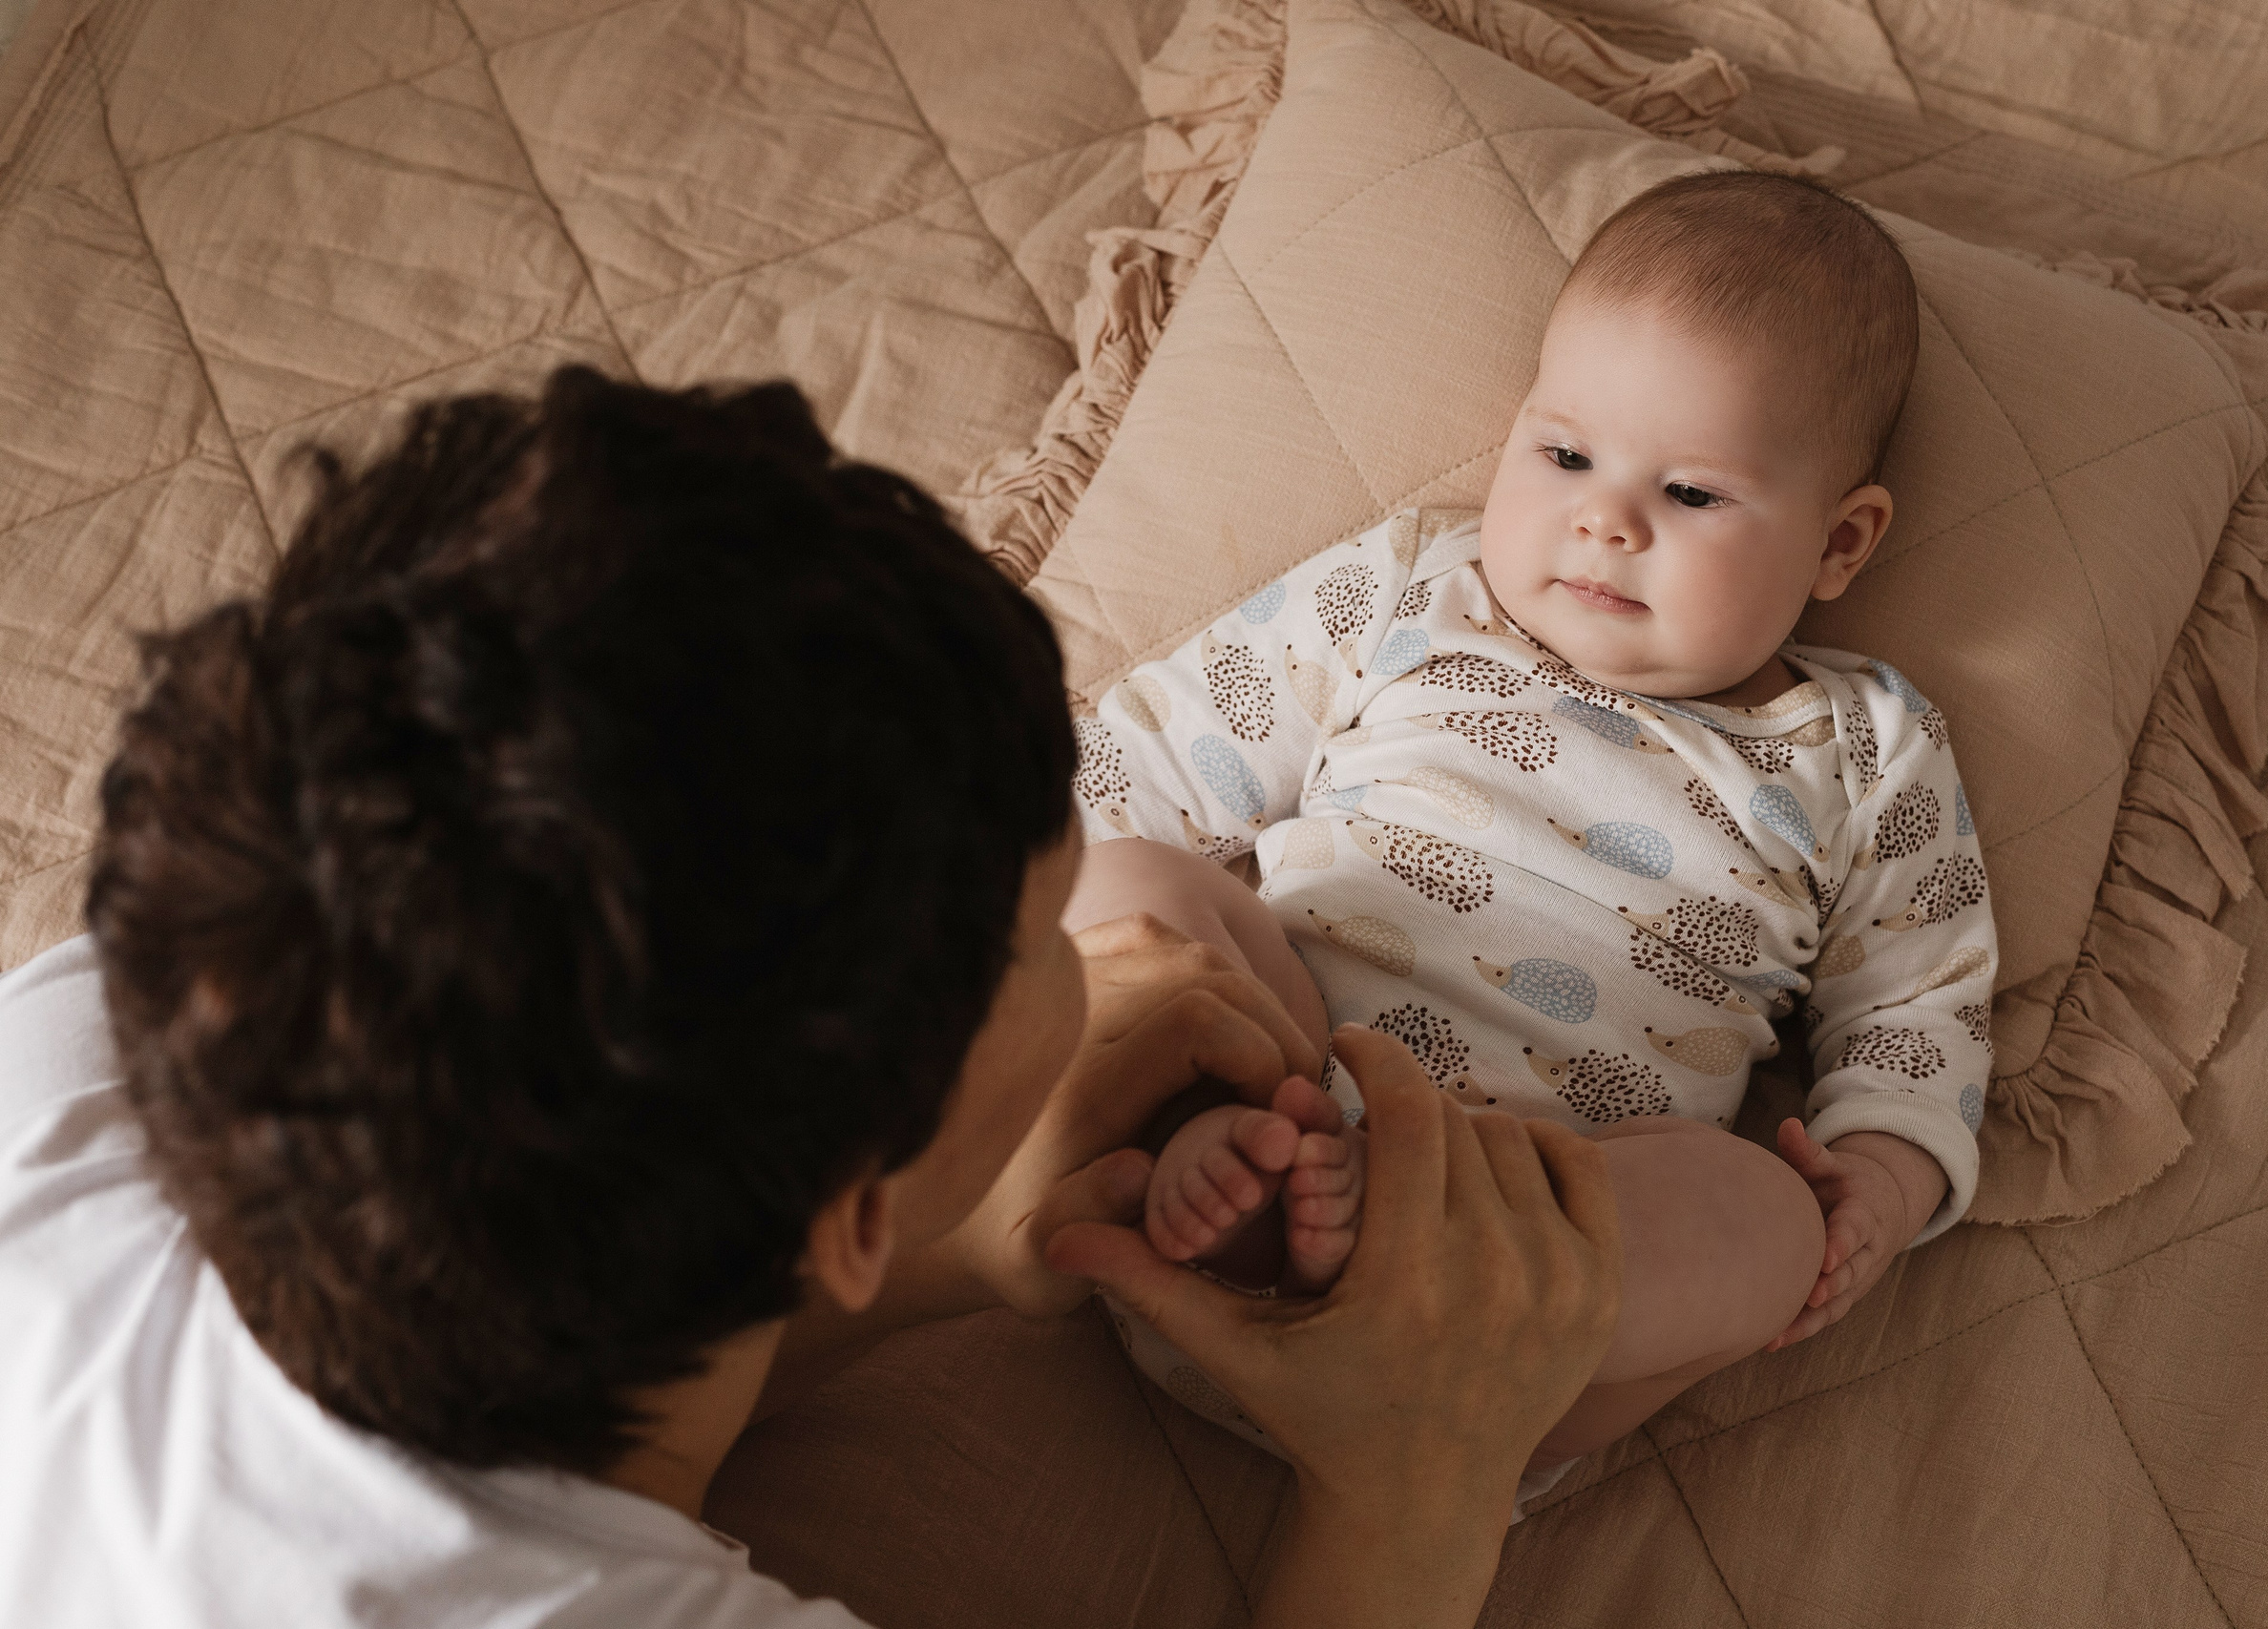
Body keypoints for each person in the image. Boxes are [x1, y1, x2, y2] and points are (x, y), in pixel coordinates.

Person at [0, 366, 1623, 1627]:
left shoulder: (114, 1020)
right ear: (848, 1209)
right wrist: (1415, 1491)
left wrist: (927, 1256)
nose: (1104, 961)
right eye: (1045, 943)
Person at [1064, 171, 1997, 1484]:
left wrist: (1882, 1184)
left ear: (1840, 543)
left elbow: (1921, 1004)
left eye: (1693, 495)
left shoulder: (1868, 750)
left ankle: (1408, 1260)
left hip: (1530, 1286)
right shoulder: (1415, 590)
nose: (1605, 519)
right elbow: (1160, 745)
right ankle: (1239, 1173)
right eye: (1565, 457)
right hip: (1289, 1077)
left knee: (1770, 1220)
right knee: (1125, 882)